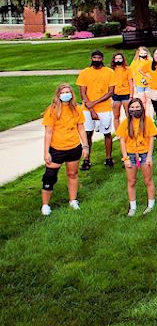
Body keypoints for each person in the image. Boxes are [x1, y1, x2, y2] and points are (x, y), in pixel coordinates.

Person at [40, 83, 89, 215]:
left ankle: (73, 201)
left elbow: (81, 128)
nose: (65, 95)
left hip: (73, 147)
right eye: (63, 92)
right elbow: (48, 132)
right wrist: (46, 152)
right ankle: (45, 206)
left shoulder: (77, 109)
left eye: (68, 92)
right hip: (57, 149)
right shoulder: (52, 110)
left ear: (72, 94)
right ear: (58, 95)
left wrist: (85, 146)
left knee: (72, 174)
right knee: (49, 177)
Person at [115, 98, 157, 216]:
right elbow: (122, 141)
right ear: (128, 109)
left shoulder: (148, 121)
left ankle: (150, 205)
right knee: (131, 181)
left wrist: (149, 156)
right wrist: (125, 158)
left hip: (144, 154)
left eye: (137, 107)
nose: (135, 110)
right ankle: (133, 207)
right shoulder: (125, 123)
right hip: (131, 154)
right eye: (132, 108)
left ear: (142, 108)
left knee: (148, 180)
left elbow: (151, 139)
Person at [76, 50, 114, 170]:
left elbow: (110, 92)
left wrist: (94, 103)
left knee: (107, 133)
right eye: (94, 57)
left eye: (99, 58)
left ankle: (108, 158)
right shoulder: (84, 72)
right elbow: (82, 92)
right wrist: (91, 108)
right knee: (87, 134)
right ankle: (86, 159)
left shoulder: (109, 72)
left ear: (102, 59)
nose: (96, 60)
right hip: (87, 109)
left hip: (104, 108)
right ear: (91, 58)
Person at [109, 52, 132, 127]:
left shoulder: (128, 69)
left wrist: (131, 96)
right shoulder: (111, 71)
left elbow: (131, 84)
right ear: (114, 60)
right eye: (116, 59)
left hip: (126, 94)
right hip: (115, 95)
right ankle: (118, 133)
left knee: (128, 115)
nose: (118, 60)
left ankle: (130, 130)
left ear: (123, 59)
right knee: (116, 115)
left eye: (120, 58)